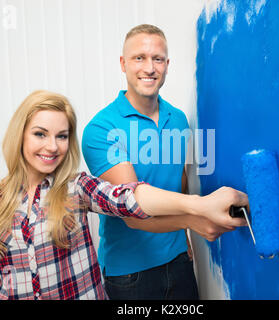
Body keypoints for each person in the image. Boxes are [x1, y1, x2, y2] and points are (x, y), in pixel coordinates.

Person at [0, 90, 248, 300]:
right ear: (20, 134)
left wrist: (200, 206)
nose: (52, 146)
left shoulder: (76, 188)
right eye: (40, 134)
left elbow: (130, 198)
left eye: (62, 136)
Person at [82, 24, 245, 300]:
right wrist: (193, 220)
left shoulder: (179, 119)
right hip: (129, 274)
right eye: (139, 58)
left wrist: (184, 235)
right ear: (123, 64)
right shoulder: (100, 129)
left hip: (179, 261)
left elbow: (178, 179)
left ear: (167, 65)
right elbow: (131, 211)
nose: (150, 68)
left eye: (157, 59)